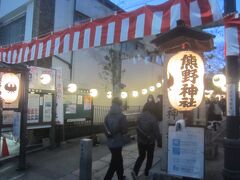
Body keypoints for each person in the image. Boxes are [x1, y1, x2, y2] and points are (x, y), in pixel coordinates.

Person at [131, 102, 162, 179]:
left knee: (141, 156)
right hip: (150, 141)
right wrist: (159, 141)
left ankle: (135, 171)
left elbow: (137, 128)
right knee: (150, 157)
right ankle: (147, 172)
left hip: (140, 141)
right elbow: (156, 132)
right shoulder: (153, 118)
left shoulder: (140, 116)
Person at [104, 97, 128, 180]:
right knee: (114, 163)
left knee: (119, 160)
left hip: (110, 142)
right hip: (118, 142)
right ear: (120, 104)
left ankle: (120, 177)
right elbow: (125, 130)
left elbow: (104, 127)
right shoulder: (122, 116)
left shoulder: (108, 115)